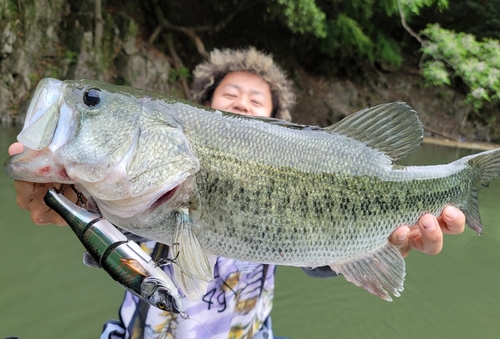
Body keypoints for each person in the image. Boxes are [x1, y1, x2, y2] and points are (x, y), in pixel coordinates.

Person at [9, 48, 466, 338]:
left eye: (256, 99)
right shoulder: (136, 189)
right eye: (231, 94)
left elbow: (319, 257)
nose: (243, 102)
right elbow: (110, 243)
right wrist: (70, 206)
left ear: (274, 121)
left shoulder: (297, 168)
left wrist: (377, 243)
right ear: (204, 110)